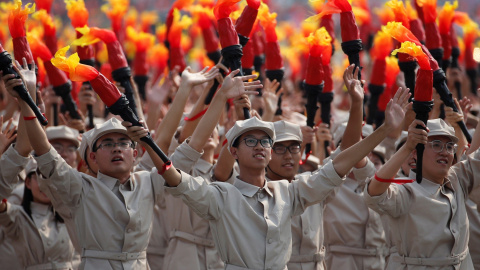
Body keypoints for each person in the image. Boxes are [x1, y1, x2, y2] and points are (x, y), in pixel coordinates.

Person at [126, 82, 409, 269]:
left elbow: (337, 167)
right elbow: (176, 178)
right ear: (233, 152)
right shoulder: (221, 195)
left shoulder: (290, 193)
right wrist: (151, 146)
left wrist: (385, 130)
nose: (260, 147)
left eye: (265, 142)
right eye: (250, 141)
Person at [365, 118, 480, 269]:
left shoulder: (457, 180)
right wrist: (407, 146)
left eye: (450, 146)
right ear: (415, 154)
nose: (444, 152)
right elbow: (374, 192)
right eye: (436, 145)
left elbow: (476, 158)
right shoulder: (405, 191)